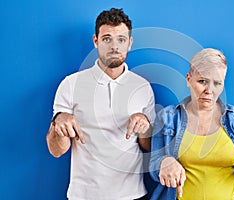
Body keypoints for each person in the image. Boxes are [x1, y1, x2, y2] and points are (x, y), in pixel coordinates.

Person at [46, 8, 156, 200]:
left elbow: (147, 146)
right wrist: (59, 124)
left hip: (133, 195)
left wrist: (145, 127)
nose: (114, 46)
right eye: (107, 39)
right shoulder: (70, 84)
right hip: (84, 196)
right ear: (96, 41)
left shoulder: (142, 87)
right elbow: (56, 151)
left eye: (121, 39)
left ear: (130, 43)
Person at [149, 48, 234, 200]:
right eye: (202, 81)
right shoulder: (167, 118)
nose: (209, 91)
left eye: (217, 83)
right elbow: (154, 165)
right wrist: (164, 162)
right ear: (188, 79)